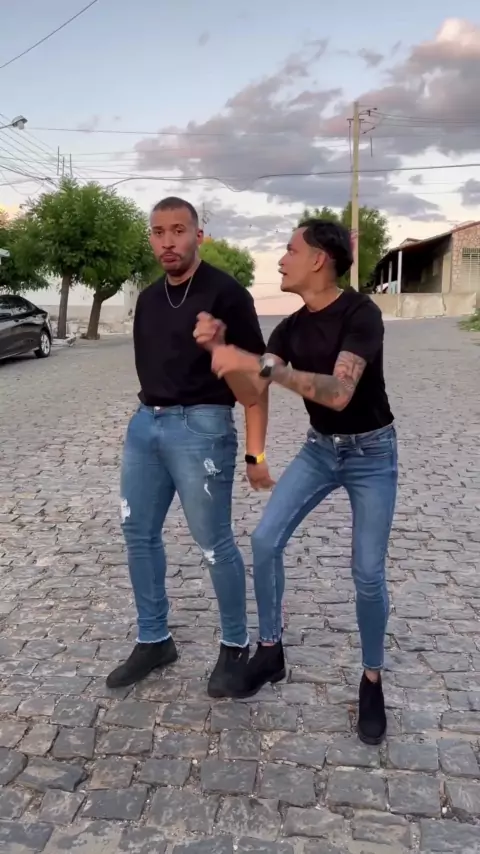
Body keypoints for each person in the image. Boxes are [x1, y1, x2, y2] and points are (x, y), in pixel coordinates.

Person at [194, 219, 397, 744]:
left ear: (319, 260)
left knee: (367, 572)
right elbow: (252, 389)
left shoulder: (361, 314)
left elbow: (338, 394)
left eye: (290, 250)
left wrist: (262, 366)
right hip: (320, 450)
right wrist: (223, 353)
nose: (281, 260)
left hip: (372, 454)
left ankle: (372, 680)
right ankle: (270, 651)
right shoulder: (289, 328)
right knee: (265, 540)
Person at [107, 197, 273, 699]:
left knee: (213, 542)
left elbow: (258, 378)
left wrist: (255, 453)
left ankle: (234, 645)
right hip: (146, 424)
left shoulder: (227, 294)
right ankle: (154, 639)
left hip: (202, 426)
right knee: (138, 533)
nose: (168, 242)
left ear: (198, 235)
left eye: (178, 230)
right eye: (158, 232)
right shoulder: (149, 299)